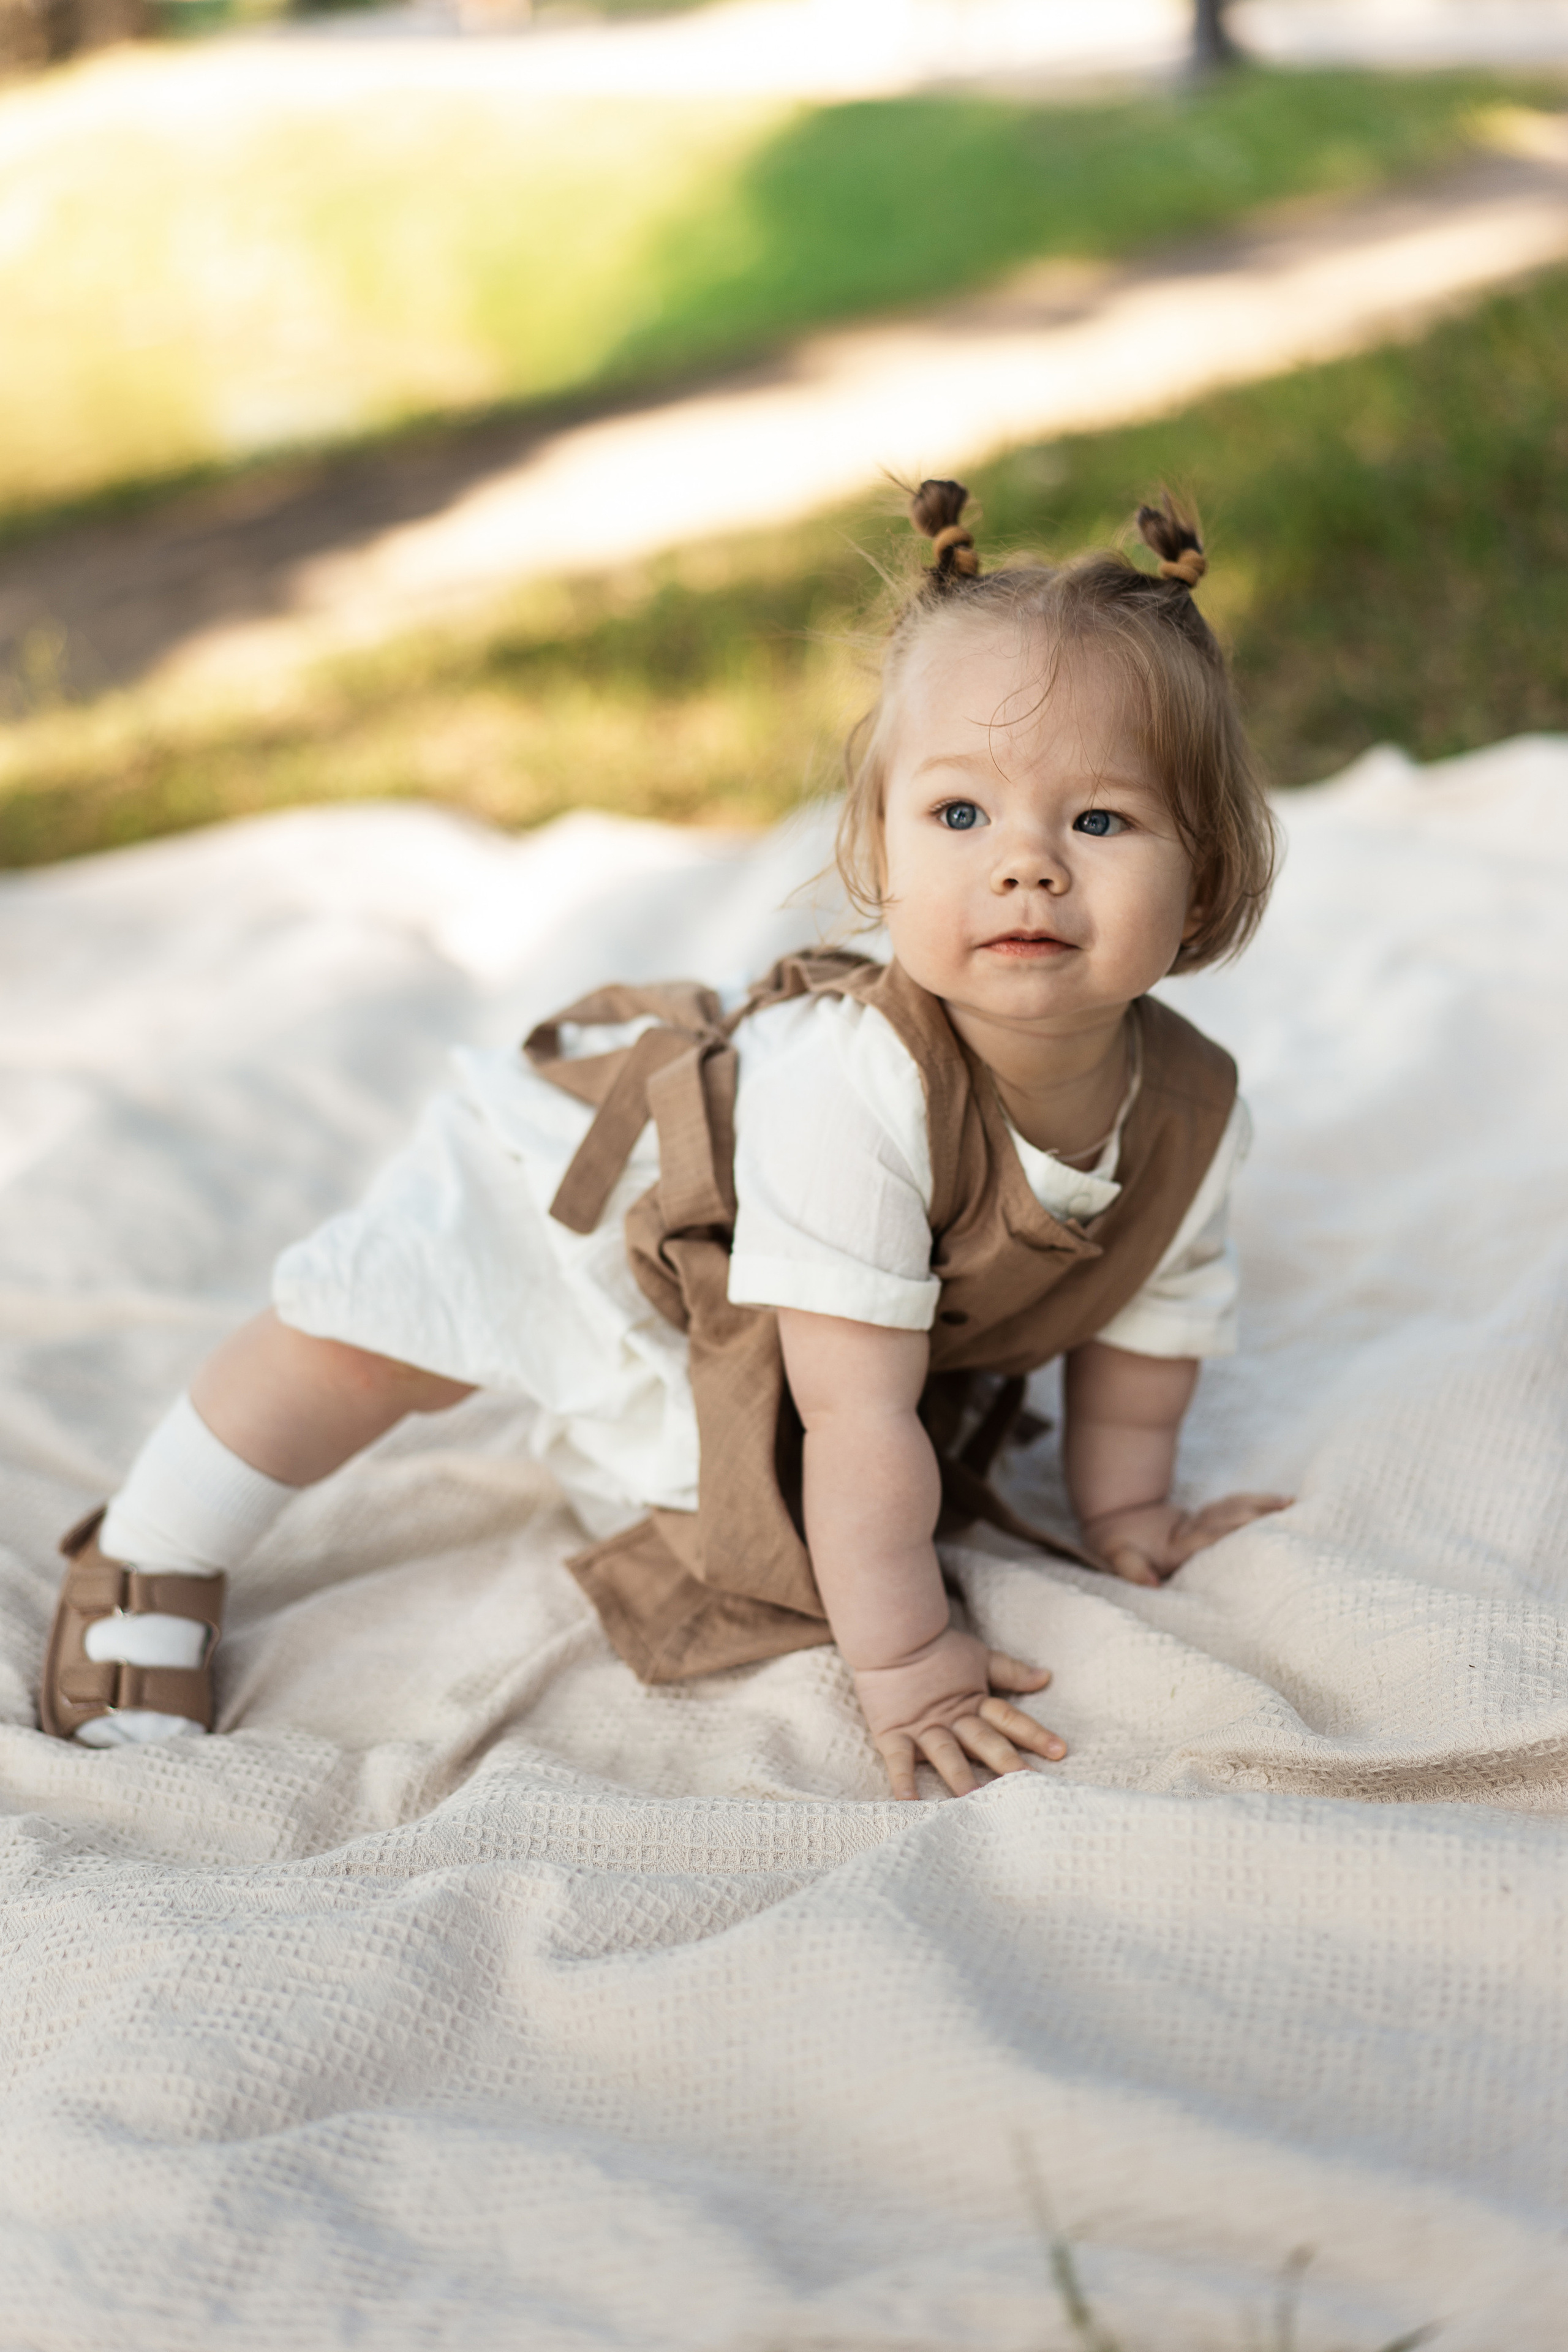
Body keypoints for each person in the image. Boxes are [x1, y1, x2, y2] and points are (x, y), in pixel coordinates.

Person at [39, 481, 1289, 1800]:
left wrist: (1125, 1512)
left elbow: (1145, 1331)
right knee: (373, 1342)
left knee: (739, 1479)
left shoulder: (1191, 1115)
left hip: (757, 1307)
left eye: (1097, 821)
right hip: (610, 1205)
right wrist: (909, 1655)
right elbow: (853, 1413)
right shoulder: (854, 1086)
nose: (1025, 863)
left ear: (1202, 876)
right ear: (875, 847)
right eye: (959, 815)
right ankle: (150, 1545)